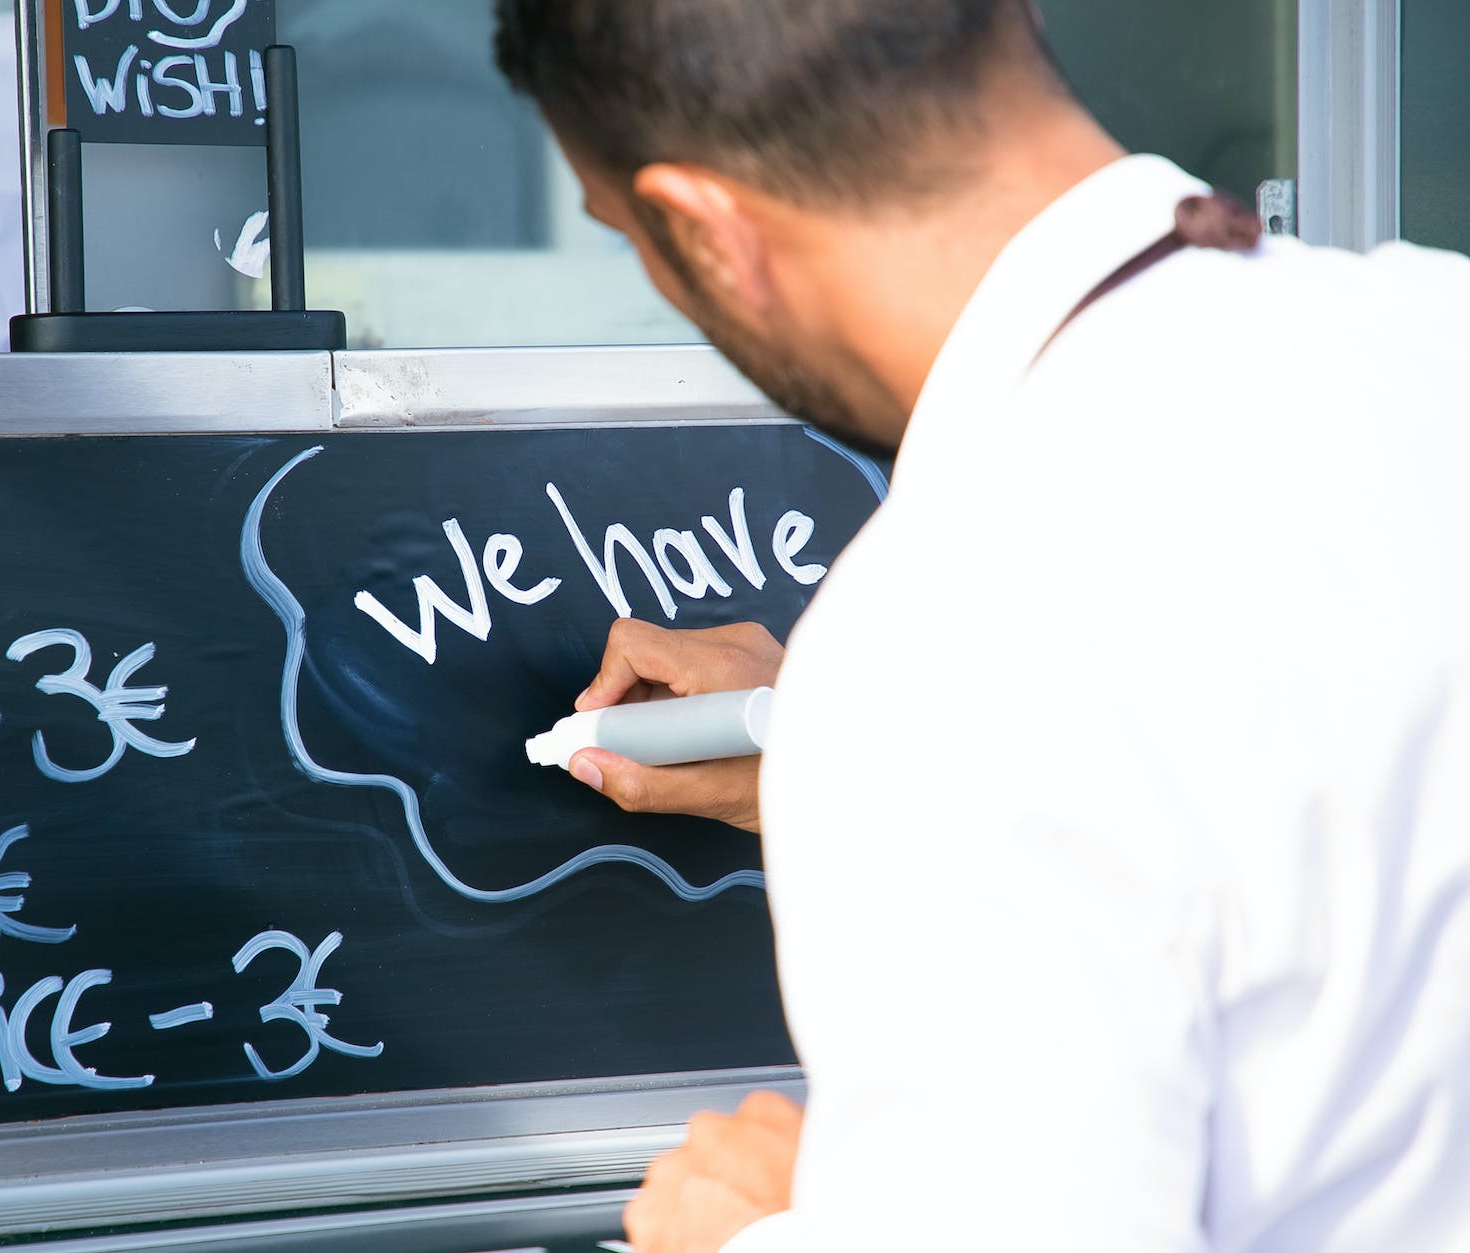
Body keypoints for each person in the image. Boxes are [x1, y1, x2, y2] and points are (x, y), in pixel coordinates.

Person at [493, 2, 1470, 1251]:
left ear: (704, 226)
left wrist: (763, 1235)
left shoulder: (948, 626)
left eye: (627, 238)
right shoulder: (1433, 327)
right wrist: (826, 758)